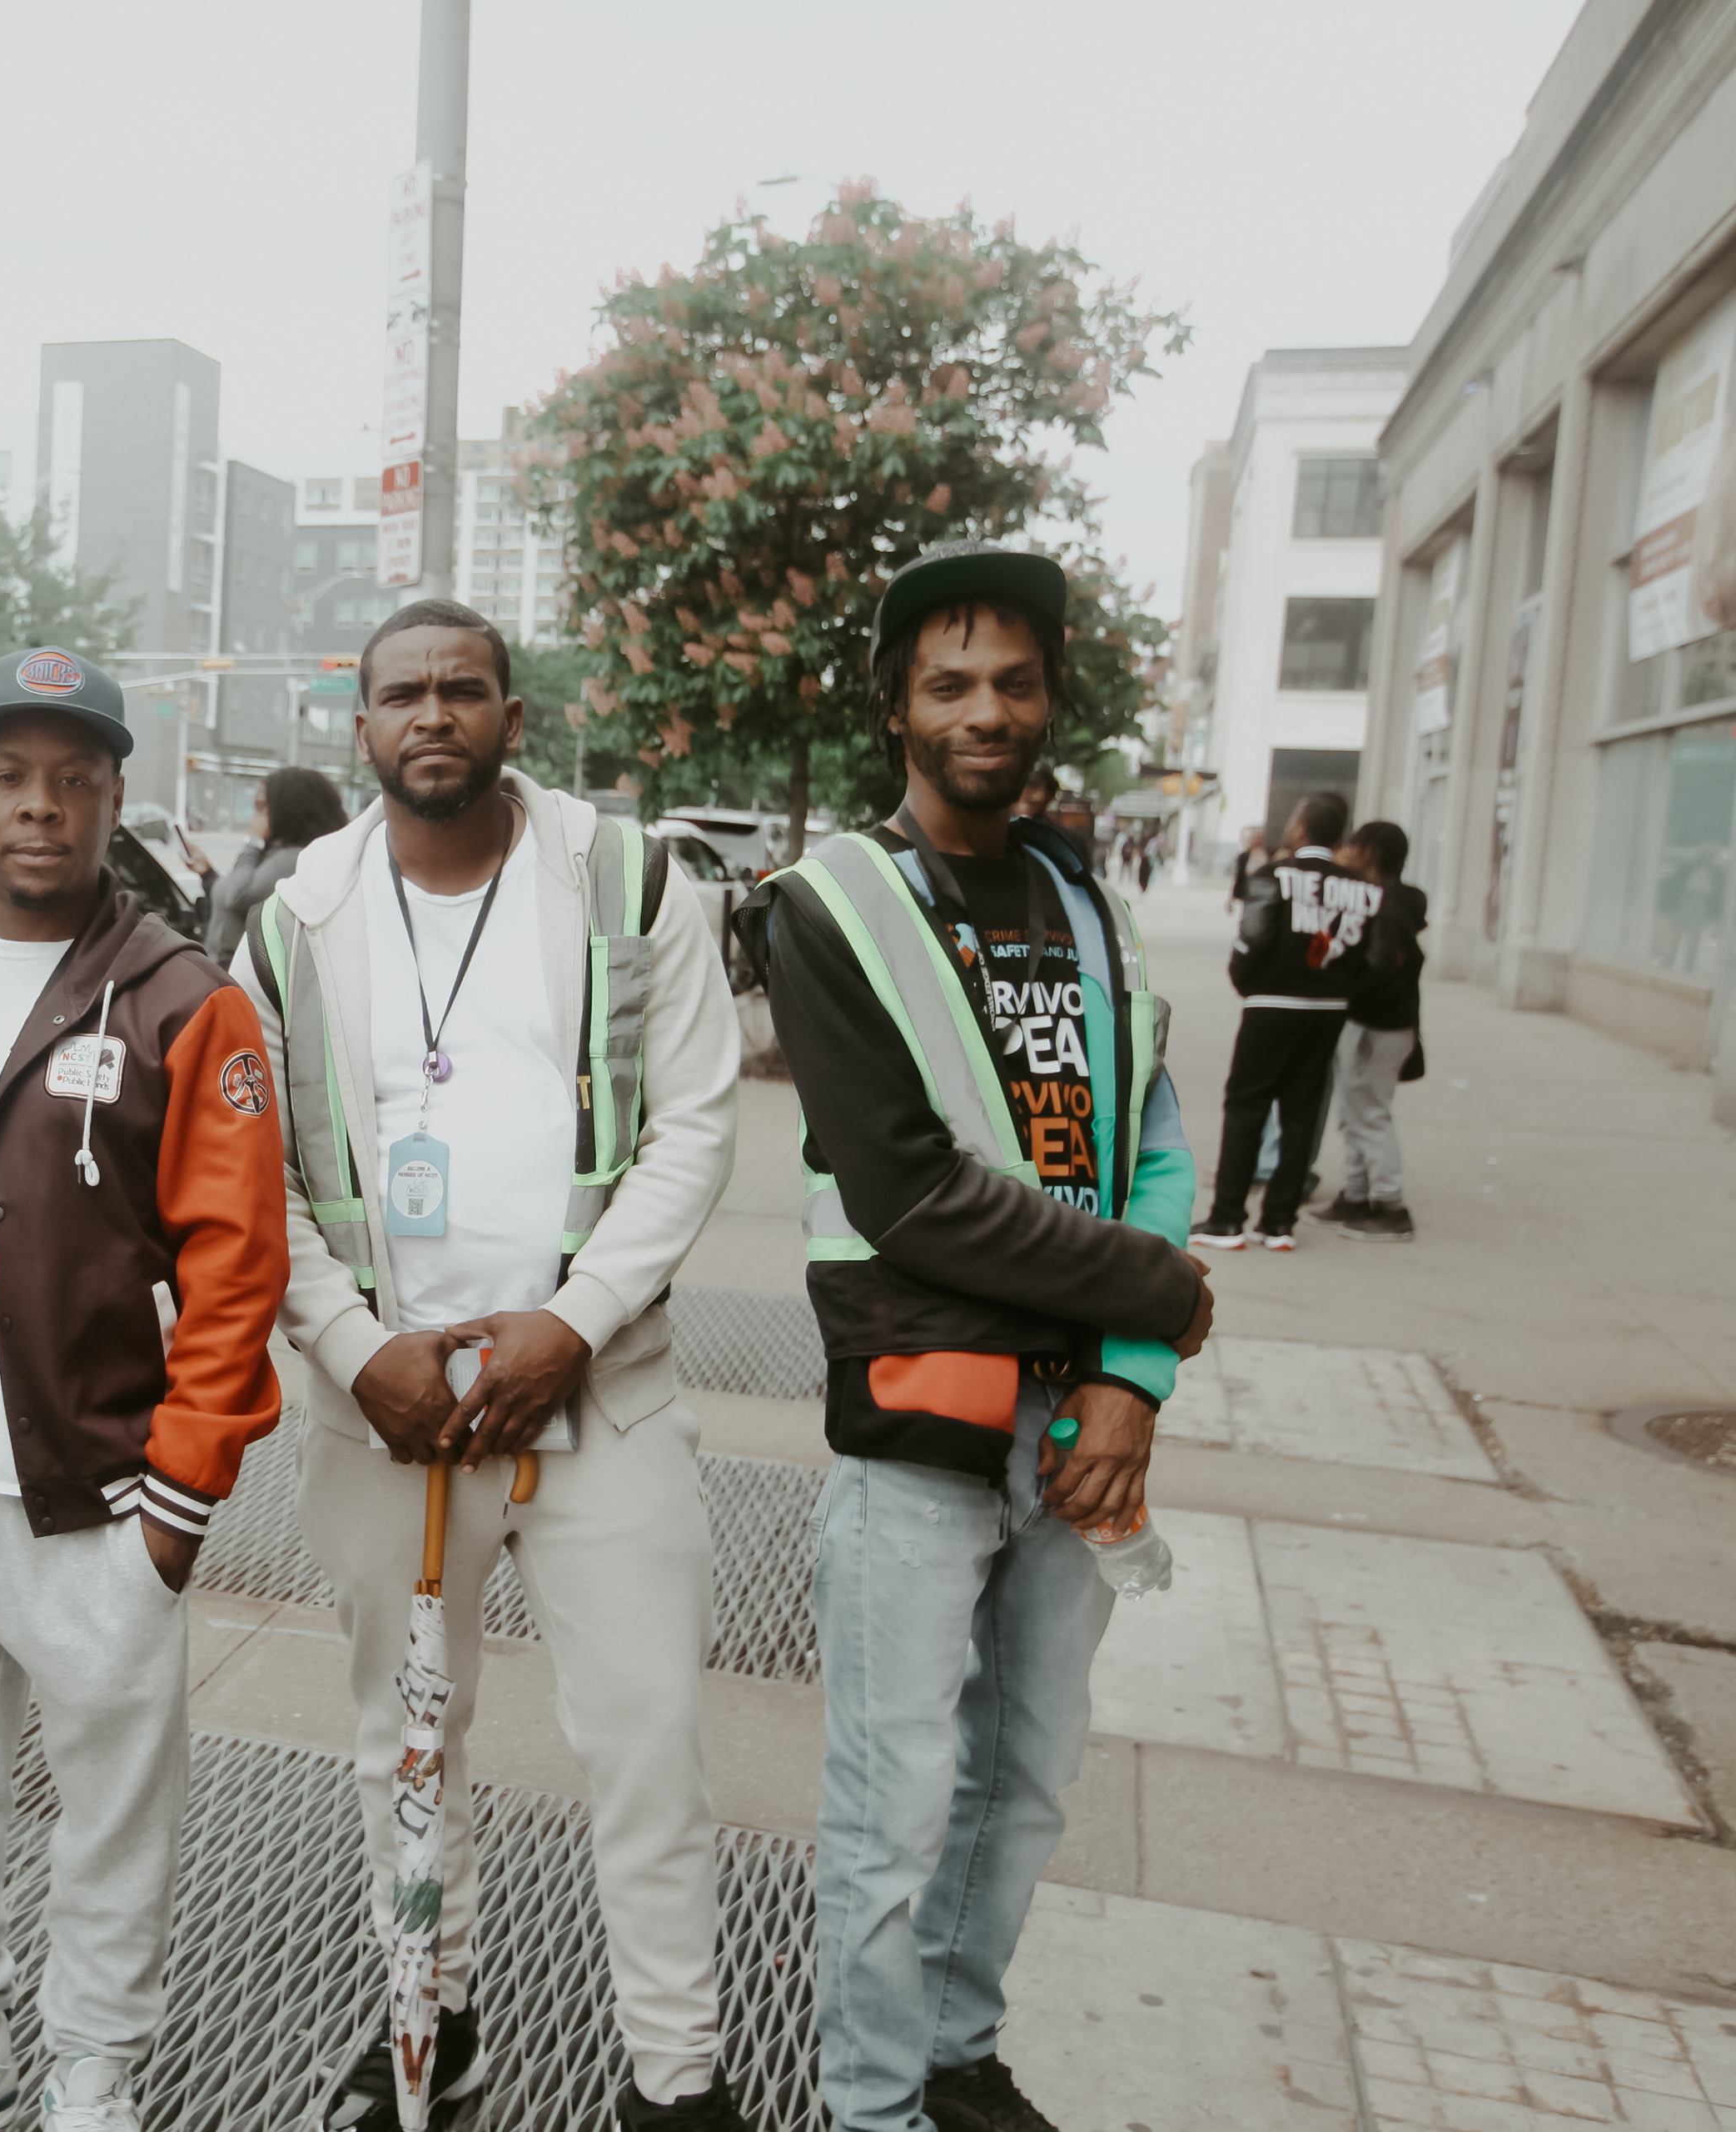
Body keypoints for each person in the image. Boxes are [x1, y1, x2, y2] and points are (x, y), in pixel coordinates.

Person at [238, 599, 744, 2130]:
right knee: (406, 1741)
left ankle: (677, 2079)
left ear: (514, 719)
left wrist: (573, 1323)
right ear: (363, 728)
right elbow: (256, 1174)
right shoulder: (295, 917)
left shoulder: (626, 880)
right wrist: (355, 1352)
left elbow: (695, 1126)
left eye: (465, 689)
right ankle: (432, 2019)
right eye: (404, 694)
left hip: (603, 1397)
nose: (434, 714)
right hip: (387, 1416)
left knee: (648, 1749)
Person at [734, 544, 1213, 2132]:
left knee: (1025, 1783)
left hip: (1083, 1430)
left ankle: (954, 2053)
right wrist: (1157, 1296)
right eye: (949, 684)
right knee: (891, 1812)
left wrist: (1134, 1378)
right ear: (896, 708)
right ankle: (871, 2103)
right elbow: (913, 1195)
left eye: (1013, 681)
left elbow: (1152, 1144)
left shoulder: (1088, 901)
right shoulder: (829, 908)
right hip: (922, 1424)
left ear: (1050, 698)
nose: (985, 711)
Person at [0, 646, 288, 2132]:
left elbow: (237, 1268)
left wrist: (182, 1494)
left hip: (100, 1491)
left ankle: (96, 2061)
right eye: (11, 776)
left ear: (113, 798)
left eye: (75, 779)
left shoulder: (184, 1002)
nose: (42, 806)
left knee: (114, 1808)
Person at [1192, 790, 1381, 1251]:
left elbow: (1252, 938)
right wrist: (1340, 990)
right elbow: (1370, 959)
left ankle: (1227, 1218)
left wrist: (1246, 982)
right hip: (1329, 1009)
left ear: (1301, 827)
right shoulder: (1362, 889)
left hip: (1272, 1004)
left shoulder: (1272, 876)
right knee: (1301, 1111)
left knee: (1246, 1106)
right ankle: (1279, 1223)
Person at [1316, 820, 1427, 1240]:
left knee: (1369, 1114)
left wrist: (1342, 985)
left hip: (1376, 1026)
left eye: (1356, 845)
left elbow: (1382, 967)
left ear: (1373, 853)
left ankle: (1391, 1207)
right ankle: (1356, 1196)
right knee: (1354, 1114)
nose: (1347, 851)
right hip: (1374, 1023)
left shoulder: (1387, 905)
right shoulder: (1382, 900)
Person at [184, 765, 350, 961]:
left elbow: (239, 897)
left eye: (263, 808)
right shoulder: (269, 852)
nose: (257, 817)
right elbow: (230, 897)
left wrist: (253, 842)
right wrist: (207, 873)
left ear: (289, 810)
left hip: (236, 972)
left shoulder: (294, 857)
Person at [1226, 824, 1270, 911]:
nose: (1256, 840)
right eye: (1254, 838)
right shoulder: (1244, 857)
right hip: (1248, 893)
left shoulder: (1269, 855)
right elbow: (1238, 877)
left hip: (1264, 893)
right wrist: (1230, 900)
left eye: (1258, 838)